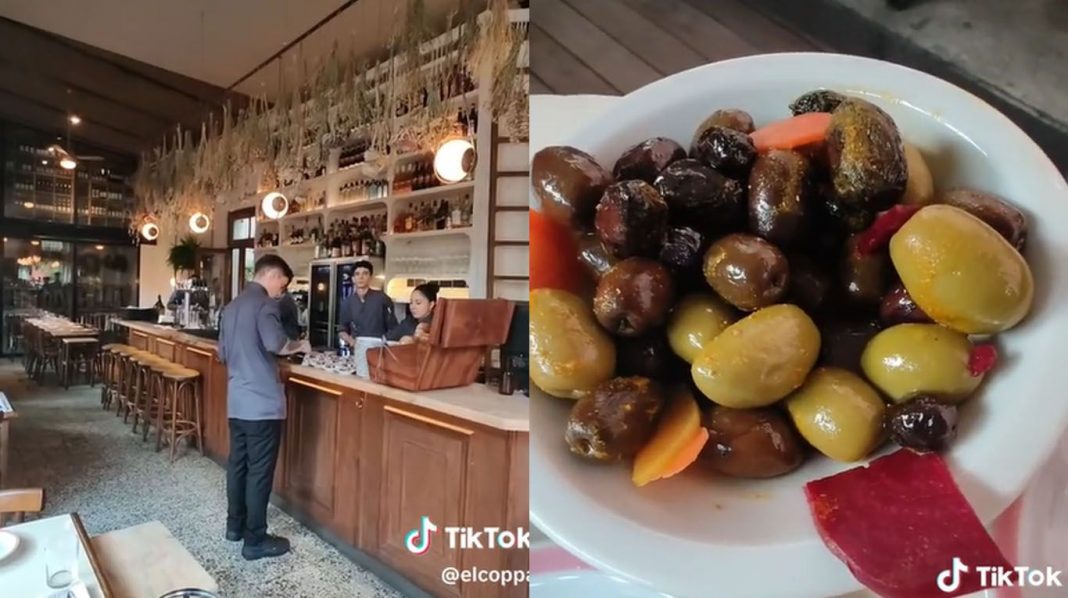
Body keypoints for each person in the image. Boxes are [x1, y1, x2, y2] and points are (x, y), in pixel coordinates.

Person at [216, 255, 310, 561]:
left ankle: (234, 527)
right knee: (259, 473)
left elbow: (223, 353)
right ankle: (255, 540)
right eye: (282, 282)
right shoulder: (266, 305)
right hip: (263, 405)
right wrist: (301, 346)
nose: (282, 289)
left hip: (237, 402)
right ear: (272, 275)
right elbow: (277, 344)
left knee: (238, 466)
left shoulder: (230, 307)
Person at [337, 260, 396, 346]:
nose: (361, 277)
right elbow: (342, 329)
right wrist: (351, 341)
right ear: (353, 279)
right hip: (357, 349)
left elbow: (393, 328)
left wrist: (385, 342)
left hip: (378, 349)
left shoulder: (382, 298)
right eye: (357, 274)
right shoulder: (347, 302)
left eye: (365, 273)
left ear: (370, 277)